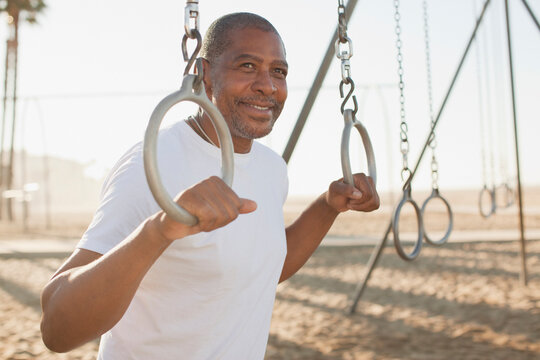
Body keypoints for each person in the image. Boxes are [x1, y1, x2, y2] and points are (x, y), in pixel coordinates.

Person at [40, 12, 379, 359]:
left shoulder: (271, 168)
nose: (268, 85)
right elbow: (57, 327)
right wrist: (160, 230)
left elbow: (261, 266)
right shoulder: (152, 162)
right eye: (247, 66)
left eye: (279, 71)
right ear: (204, 75)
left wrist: (328, 205)